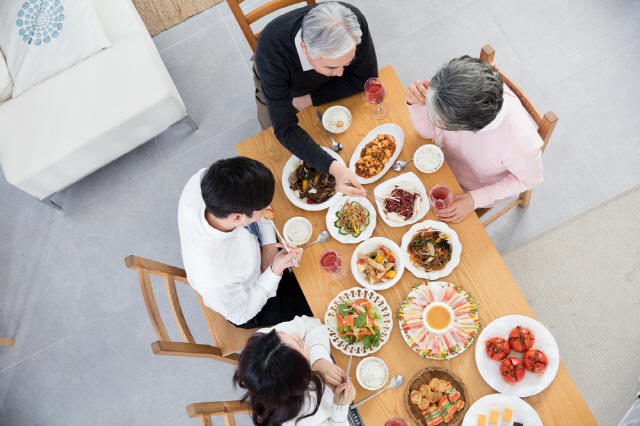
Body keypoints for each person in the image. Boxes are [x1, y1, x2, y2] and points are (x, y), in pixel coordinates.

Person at [254, 1, 378, 198]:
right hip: (283, 86)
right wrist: (335, 168)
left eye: (347, 63)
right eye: (331, 67)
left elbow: (364, 79)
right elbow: (285, 128)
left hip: (316, 90)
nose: (339, 74)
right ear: (304, 47)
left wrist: (310, 99)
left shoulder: (352, 24)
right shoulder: (271, 53)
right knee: (272, 147)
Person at [405, 56, 544, 223]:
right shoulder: (466, 84)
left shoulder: (520, 144)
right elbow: (429, 133)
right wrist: (413, 103)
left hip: (476, 189)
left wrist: (475, 199)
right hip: (447, 166)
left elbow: (531, 180)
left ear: (471, 128)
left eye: (442, 120)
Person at [177, 157, 312, 328]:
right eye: (262, 208)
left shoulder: (203, 181)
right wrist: (275, 270)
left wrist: (268, 245)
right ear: (237, 217)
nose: (266, 209)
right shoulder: (217, 278)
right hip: (252, 301)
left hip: (257, 247)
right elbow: (243, 314)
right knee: (315, 298)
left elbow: (259, 205)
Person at [233, 316, 356, 426]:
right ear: (301, 375)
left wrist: (318, 361)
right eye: (299, 343)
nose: (296, 334)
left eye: (283, 333)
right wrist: (340, 406)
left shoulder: (264, 342)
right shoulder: (304, 420)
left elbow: (309, 323)